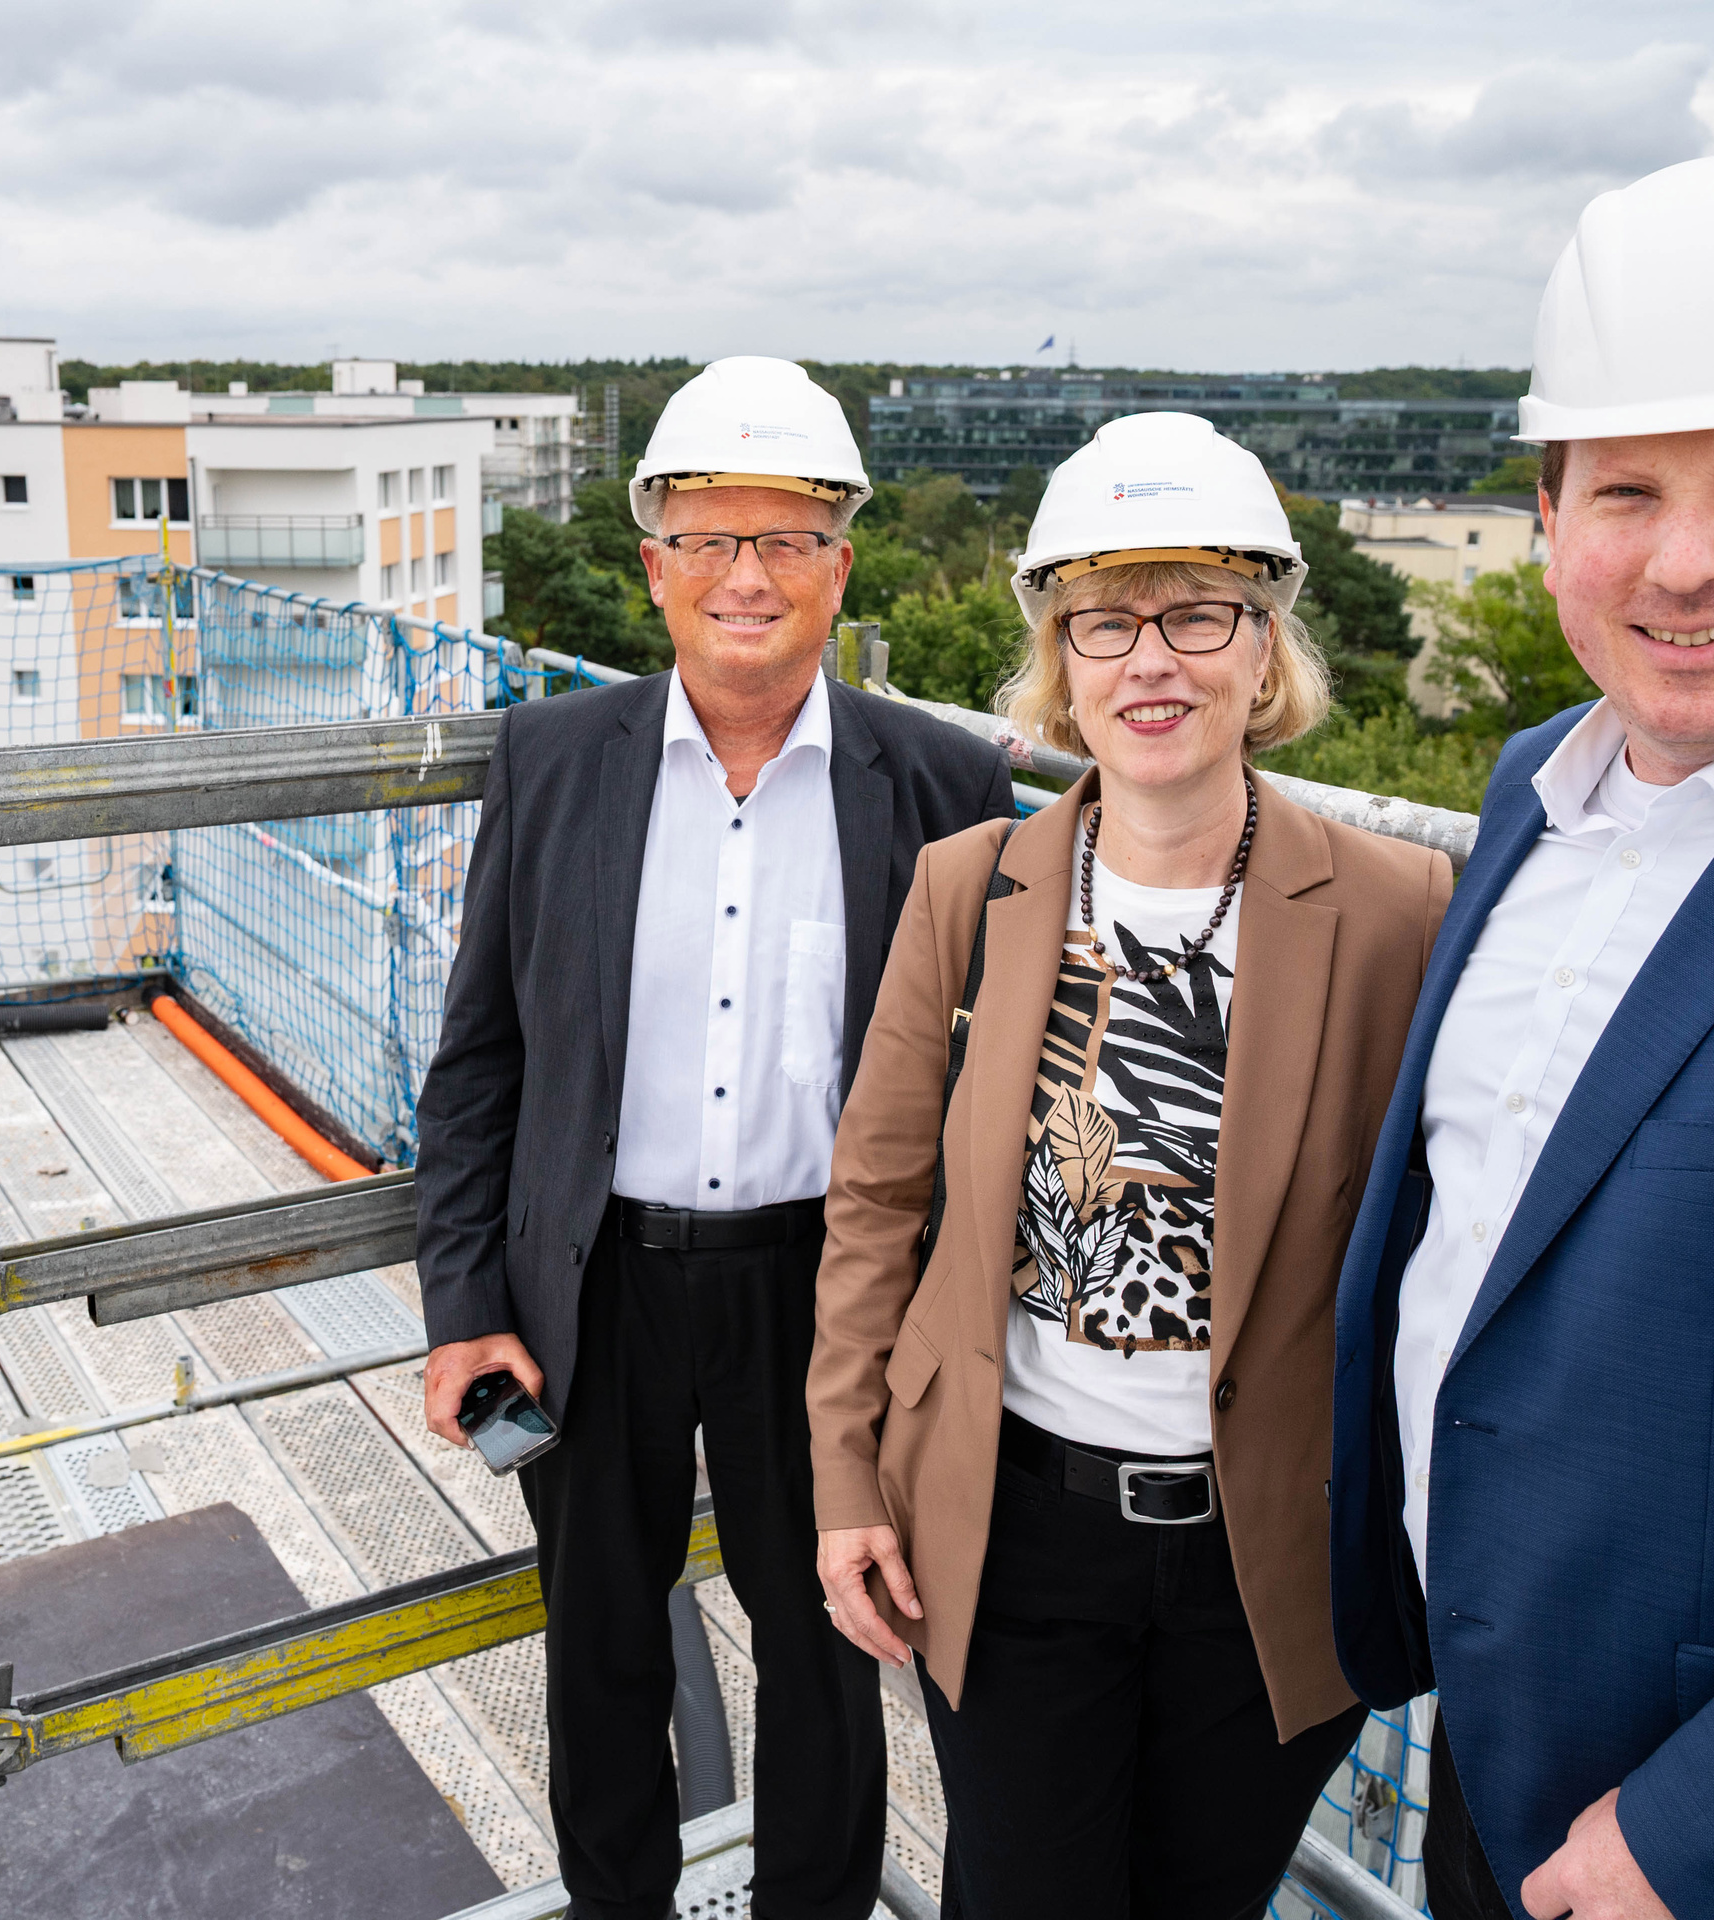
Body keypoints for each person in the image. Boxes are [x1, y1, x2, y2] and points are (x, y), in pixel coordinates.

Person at [809, 410, 1453, 1919]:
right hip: (1014, 1527)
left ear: (1262, 647)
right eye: (1105, 621)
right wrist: (846, 1477)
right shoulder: (970, 888)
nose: (1150, 660)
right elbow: (879, 1202)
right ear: (1060, 661)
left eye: (1196, 614)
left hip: (1270, 1550)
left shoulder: (1396, 910)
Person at [415, 356, 1013, 1920]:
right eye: (708, 540)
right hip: (590, 1288)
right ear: (653, 566)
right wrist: (464, 1303)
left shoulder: (945, 782)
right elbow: (480, 1056)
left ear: (840, 564)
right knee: (599, 1641)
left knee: (827, 1644)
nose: (746, 576)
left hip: (825, 1293)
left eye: (786, 540)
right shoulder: (550, 764)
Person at [1329, 156, 1714, 1920]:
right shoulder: (1530, 791)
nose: (1686, 564)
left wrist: (1682, 1832)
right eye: (1630, 490)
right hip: (1494, 1734)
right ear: (1548, 516)